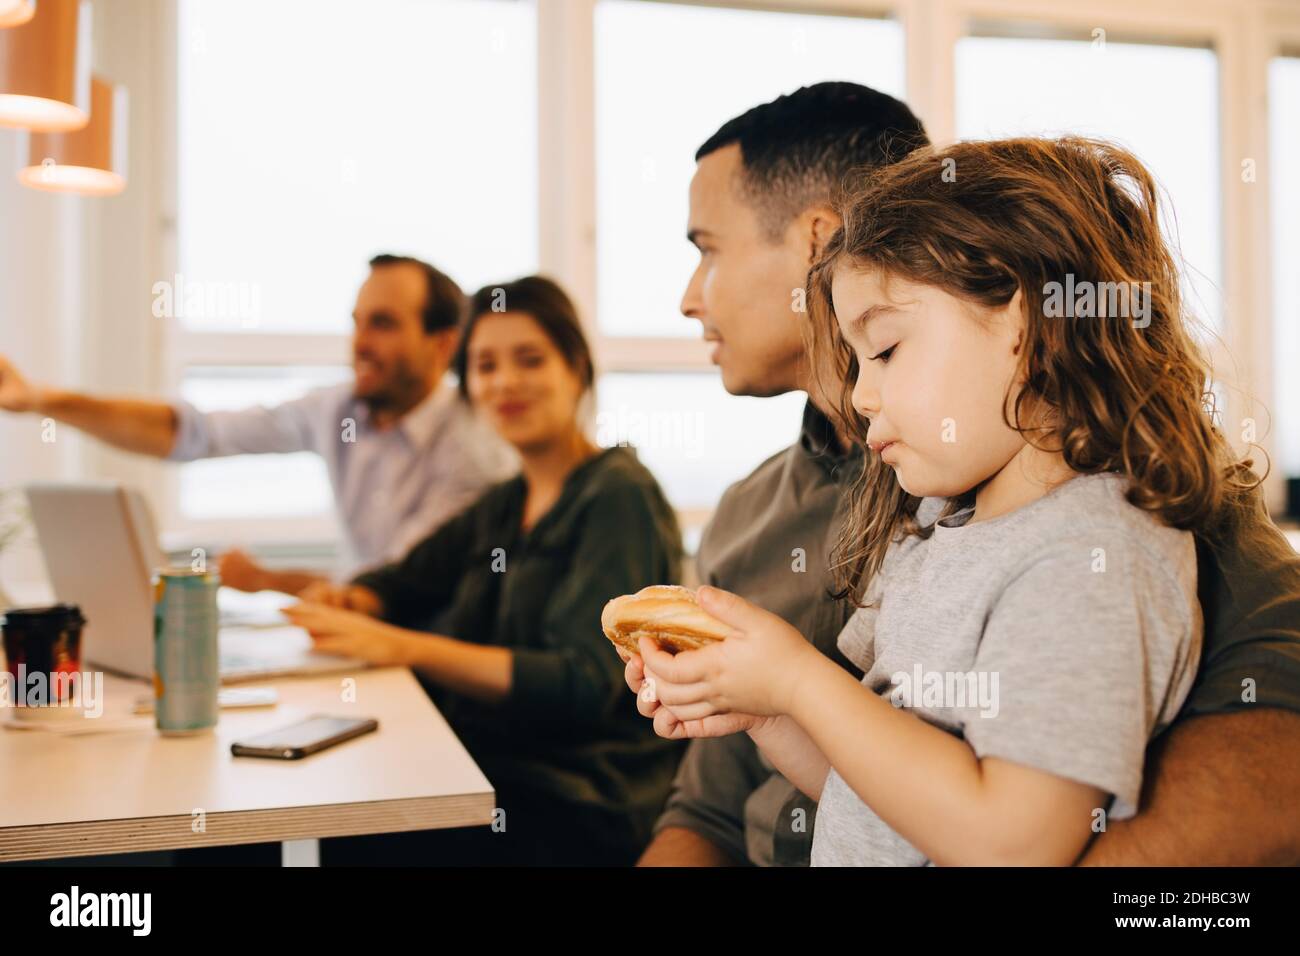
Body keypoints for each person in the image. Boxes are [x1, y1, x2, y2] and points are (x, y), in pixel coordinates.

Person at [641, 84, 1300, 866]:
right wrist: (756, 702)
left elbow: (1017, 840)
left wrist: (797, 683)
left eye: (884, 350)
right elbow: (877, 796)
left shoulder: (1093, 559)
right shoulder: (933, 533)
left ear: (1028, 326)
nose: (859, 393)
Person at [285, 275, 685, 865]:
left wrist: (403, 646)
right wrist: (356, 602)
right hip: (485, 766)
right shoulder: (504, 503)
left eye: (529, 360)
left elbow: (582, 683)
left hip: (575, 798)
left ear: (576, 368)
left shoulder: (616, 495)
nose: (505, 383)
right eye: (485, 365)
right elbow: (403, 581)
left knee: (357, 824)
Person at [0, 254, 517, 591]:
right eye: (356, 322)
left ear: (443, 343)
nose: (359, 344)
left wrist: (266, 580)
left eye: (382, 324)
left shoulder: (474, 451)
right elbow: (193, 433)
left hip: (426, 671)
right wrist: (42, 399)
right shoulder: (337, 411)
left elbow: (395, 588)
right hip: (361, 643)